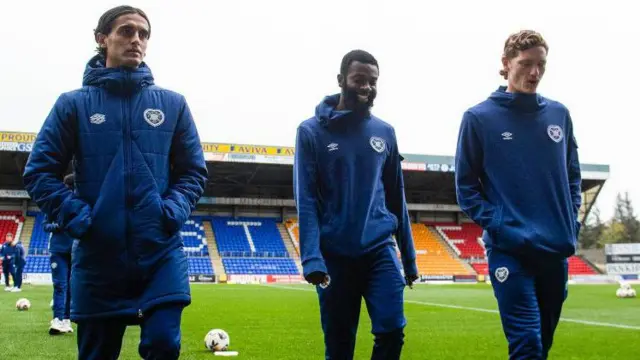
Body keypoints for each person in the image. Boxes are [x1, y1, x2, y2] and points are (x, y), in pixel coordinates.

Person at [23, 5, 208, 360]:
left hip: (159, 252)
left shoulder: (173, 104)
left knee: (164, 345)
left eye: (143, 33)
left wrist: (170, 211)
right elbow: (38, 172)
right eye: (126, 31)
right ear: (101, 39)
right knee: (96, 354)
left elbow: (193, 172)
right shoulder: (72, 105)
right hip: (98, 255)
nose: (136, 39)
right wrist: (79, 217)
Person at [455, 30, 582, 359]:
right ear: (506, 63)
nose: (534, 73)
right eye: (526, 64)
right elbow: (466, 189)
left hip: (554, 250)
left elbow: (572, 178)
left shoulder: (559, 115)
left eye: (541, 65)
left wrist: (571, 225)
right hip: (509, 250)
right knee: (526, 343)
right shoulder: (479, 118)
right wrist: (502, 224)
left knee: (542, 344)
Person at [293, 49, 418, 360]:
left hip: (379, 250)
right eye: (359, 80)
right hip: (334, 255)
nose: (366, 87)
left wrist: (411, 259)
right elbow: (305, 198)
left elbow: (395, 195)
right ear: (340, 81)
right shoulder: (310, 131)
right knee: (339, 347)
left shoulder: (385, 132)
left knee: (391, 331)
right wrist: (311, 257)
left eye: (372, 82)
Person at [45, 173, 76, 335]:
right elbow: (46, 225)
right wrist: (59, 226)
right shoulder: (55, 203)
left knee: (69, 286)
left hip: (74, 250)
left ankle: (66, 320)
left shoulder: (79, 204)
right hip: (58, 250)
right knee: (61, 285)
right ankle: (58, 319)